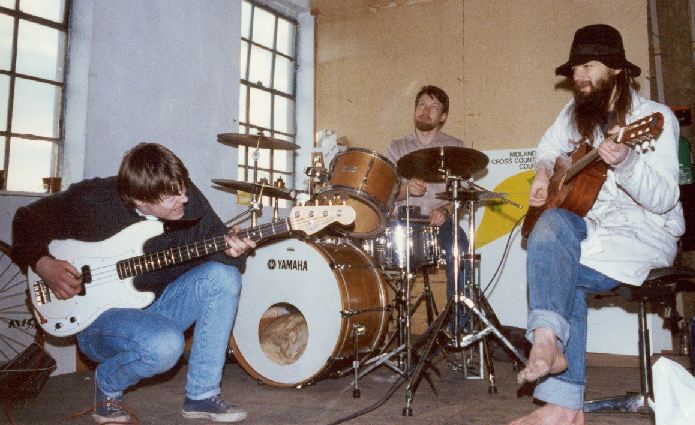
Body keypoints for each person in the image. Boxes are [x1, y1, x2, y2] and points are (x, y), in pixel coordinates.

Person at [512, 24, 684, 425]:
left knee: (561, 268)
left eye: (587, 65)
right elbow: (547, 148)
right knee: (551, 225)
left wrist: (628, 162)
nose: (578, 76)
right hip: (597, 232)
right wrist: (543, 175)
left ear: (617, 69)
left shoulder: (653, 118)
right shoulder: (574, 115)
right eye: (575, 68)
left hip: (645, 236)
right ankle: (549, 347)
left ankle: (562, 404)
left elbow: (664, 199)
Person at [12, 143, 256, 424]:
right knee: (166, 346)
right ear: (139, 200)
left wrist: (233, 253)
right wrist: (43, 264)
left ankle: (202, 394)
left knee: (224, 276)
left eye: (183, 188)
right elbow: (26, 219)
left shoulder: (190, 202)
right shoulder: (92, 199)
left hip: (157, 309)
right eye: (172, 196)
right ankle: (108, 381)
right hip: (98, 321)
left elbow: (221, 251)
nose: (184, 198)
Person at [386, 85, 470, 331]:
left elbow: (463, 194)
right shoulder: (397, 147)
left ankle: (457, 326)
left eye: (434, 107)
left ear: (443, 116)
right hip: (404, 223)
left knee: (460, 247)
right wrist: (405, 189)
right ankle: (392, 326)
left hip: (440, 223)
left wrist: (444, 211)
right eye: (421, 104)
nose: (425, 110)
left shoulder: (455, 147)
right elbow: (386, 193)